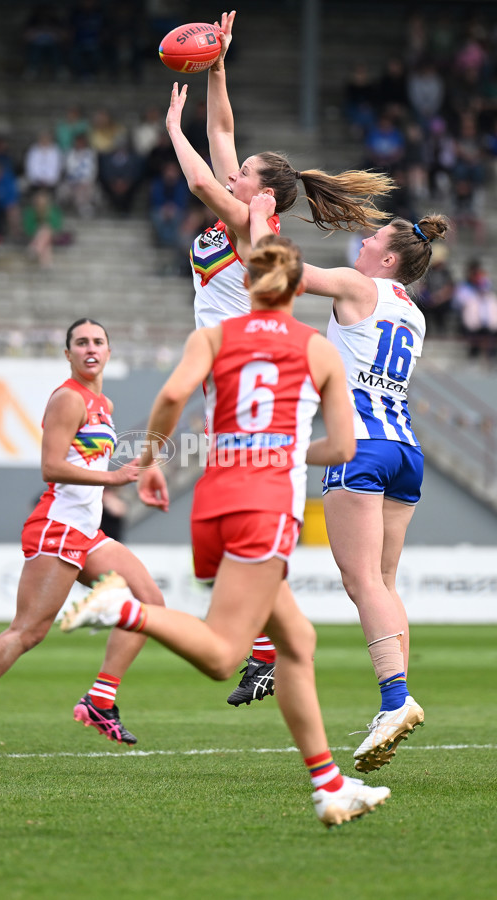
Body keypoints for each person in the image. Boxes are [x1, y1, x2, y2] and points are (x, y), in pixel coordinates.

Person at [59, 235, 391, 829]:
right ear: (295, 286)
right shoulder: (316, 349)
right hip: (263, 506)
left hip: (212, 504)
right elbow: (344, 446)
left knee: (296, 643)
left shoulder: (212, 336)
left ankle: (329, 785)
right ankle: (120, 608)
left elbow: (170, 396)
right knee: (221, 655)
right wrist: (291, 449)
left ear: (248, 281)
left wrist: (155, 462)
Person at [164, 10, 395, 705]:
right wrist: (220, 66)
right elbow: (226, 134)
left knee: (248, 507)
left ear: (260, 192)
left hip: (247, 368)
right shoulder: (248, 211)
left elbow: (207, 173)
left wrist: (172, 130)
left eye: (246, 174)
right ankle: (269, 649)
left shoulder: (243, 219)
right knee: (248, 512)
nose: (234, 169)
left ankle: (266, 648)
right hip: (238, 370)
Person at [250, 195, 450, 772]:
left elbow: (282, 270)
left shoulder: (356, 285)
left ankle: (394, 700)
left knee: (361, 581)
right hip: (404, 449)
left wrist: (259, 218)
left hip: (358, 445)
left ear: (388, 260)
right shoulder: (414, 311)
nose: (361, 244)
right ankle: (395, 699)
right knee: (383, 583)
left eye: (372, 241)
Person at [0, 318, 165, 756]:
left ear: (109, 351)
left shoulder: (103, 403)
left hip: (85, 530)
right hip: (57, 527)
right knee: (28, 632)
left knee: (149, 601)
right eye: (81, 342)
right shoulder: (67, 399)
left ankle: (101, 699)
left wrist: (134, 476)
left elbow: (86, 467)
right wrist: (114, 479)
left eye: (98, 341)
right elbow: (51, 467)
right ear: (68, 353)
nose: (90, 348)